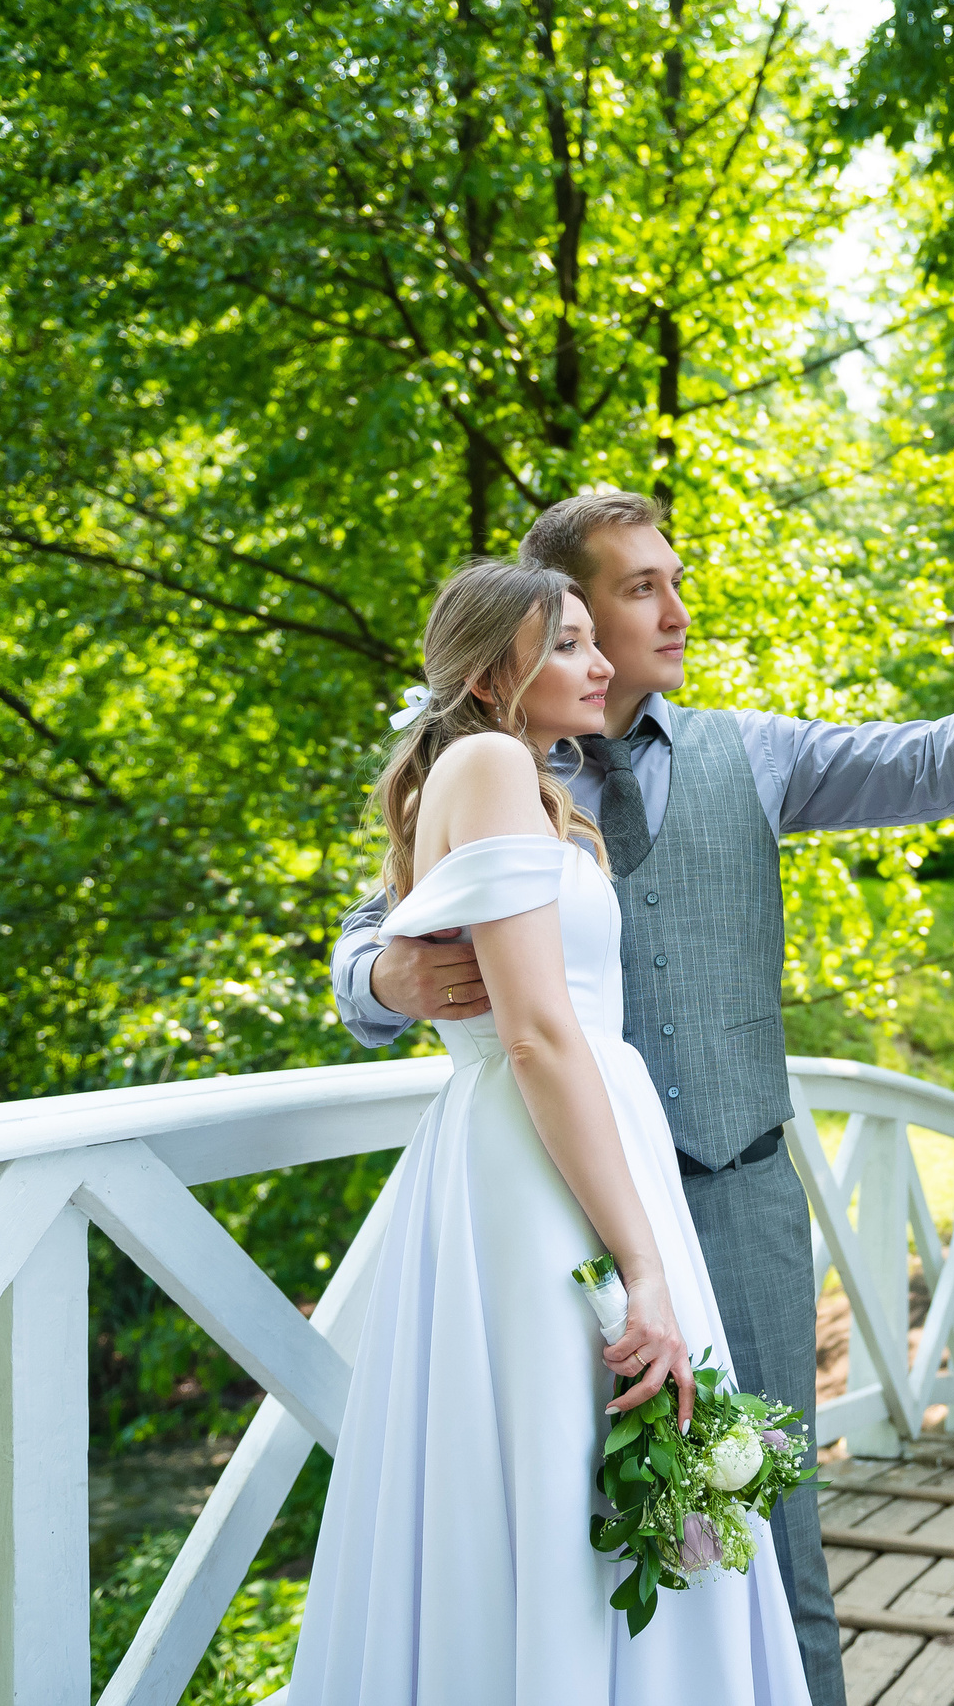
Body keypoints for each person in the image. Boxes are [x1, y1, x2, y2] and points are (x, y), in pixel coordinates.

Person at [334, 491, 954, 1705]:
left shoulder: (751, 752)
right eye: (638, 589)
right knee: (559, 1524)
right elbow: (374, 934)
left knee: (763, 1535)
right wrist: (385, 976)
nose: (674, 610)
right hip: (556, 1213)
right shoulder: (499, 765)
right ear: (561, 611)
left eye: (672, 580)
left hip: (737, 1200)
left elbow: (929, 760)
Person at [289, 559, 811, 1704]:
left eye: (593, 638)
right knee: (569, 1463)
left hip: (564, 1141)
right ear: (492, 674)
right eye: (568, 643)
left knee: (593, 1464)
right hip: (538, 1166)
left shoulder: (521, 777)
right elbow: (535, 1031)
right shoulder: (485, 762)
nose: (603, 662)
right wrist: (644, 1264)